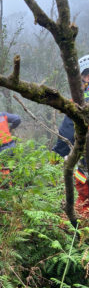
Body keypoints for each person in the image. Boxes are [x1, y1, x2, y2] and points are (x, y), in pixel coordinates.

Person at [53, 54, 89, 213]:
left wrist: (58, 152)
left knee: (84, 202)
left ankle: (80, 231)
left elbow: (68, 130)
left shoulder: (81, 99)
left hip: (86, 162)